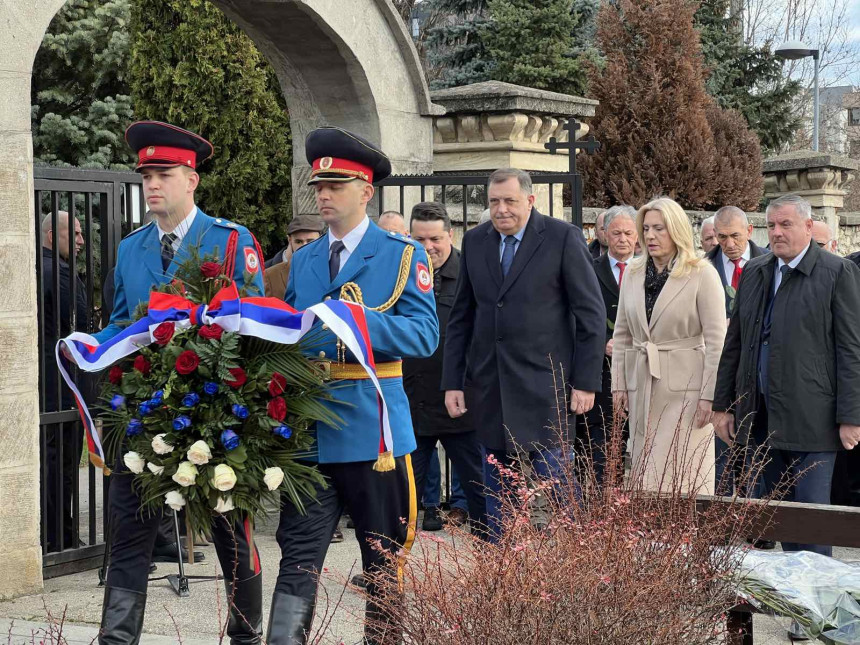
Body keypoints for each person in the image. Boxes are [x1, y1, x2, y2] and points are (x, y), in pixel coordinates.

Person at [86, 121, 266, 645]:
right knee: (129, 527)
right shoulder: (133, 247)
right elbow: (123, 320)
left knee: (232, 527)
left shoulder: (230, 241)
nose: (152, 185)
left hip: (215, 409)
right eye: (146, 176)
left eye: (163, 174)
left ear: (192, 180)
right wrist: (92, 344)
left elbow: (253, 324)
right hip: (147, 409)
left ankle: (246, 632)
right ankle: (116, 638)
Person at [273, 126, 438, 644]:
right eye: (319, 186)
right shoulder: (302, 260)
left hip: (373, 429)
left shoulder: (401, 253)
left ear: (366, 192)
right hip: (309, 428)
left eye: (336, 186)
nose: (323, 194)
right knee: (298, 557)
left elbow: (424, 334)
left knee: (383, 561)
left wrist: (359, 322)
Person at [712, 194, 860, 642]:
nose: (776, 233)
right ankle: (795, 606)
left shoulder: (836, 273)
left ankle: (829, 615)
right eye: (771, 225)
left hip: (814, 419)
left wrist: (851, 415)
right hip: (759, 418)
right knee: (776, 519)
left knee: (812, 520)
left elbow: (851, 349)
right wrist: (723, 404)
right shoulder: (756, 273)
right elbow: (734, 342)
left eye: (786, 225)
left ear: (808, 226)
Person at [442, 167, 605, 541]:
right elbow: (462, 317)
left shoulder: (562, 238)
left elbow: (591, 314)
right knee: (498, 488)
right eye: (494, 202)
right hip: (491, 387)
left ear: (530, 200)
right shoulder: (476, 241)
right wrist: (453, 382)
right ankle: (505, 570)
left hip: (545, 389)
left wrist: (585, 382)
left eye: (510, 201)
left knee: (558, 484)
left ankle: (576, 561)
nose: (501, 210)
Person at [611, 197, 726, 496]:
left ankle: (685, 540)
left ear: (675, 230)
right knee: (644, 471)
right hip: (642, 384)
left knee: (684, 475)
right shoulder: (634, 273)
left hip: (687, 392)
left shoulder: (702, 273)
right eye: (646, 228)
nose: (650, 235)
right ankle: (650, 541)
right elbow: (623, 334)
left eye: (659, 228)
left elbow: (716, 341)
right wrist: (620, 384)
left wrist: (710, 397)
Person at [404, 201, 487, 534]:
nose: (428, 247)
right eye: (419, 239)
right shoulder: (400, 275)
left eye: (435, 239)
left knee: (480, 490)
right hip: (411, 400)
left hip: (460, 400)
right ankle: (386, 571)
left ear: (449, 235)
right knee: (403, 496)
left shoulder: (472, 272)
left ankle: (495, 558)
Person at [705, 206, 768, 495]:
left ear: (750, 232)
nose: (729, 244)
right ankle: (720, 521)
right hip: (716, 368)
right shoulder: (703, 268)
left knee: (755, 450)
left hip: (755, 371)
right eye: (722, 237)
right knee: (720, 448)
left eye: (735, 236)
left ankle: (756, 522)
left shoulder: (770, 265)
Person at [40, 210, 87, 554]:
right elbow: (80, 328)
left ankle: (54, 534)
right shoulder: (60, 273)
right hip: (61, 383)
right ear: (51, 236)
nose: (82, 242)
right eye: (75, 234)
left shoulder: (39, 269)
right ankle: (60, 538)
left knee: (54, 460)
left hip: (45, 383)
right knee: (62, 462)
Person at [582, 205, 637, 485]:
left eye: (629, 233)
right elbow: (578, 316)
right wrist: (603, 343)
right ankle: (606, 510)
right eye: (616, 233)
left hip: (641, 370)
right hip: (603, 373)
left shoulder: (651, 270)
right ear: (604, 233)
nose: (623, 239)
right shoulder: (590, 271)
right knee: (605, 447)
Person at [263, 214, 324, 299]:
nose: (304, 246)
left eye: (310, 241)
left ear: (321, 239)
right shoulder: (269, 274)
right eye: (299, 242)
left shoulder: (330, 268)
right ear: (289, 240)